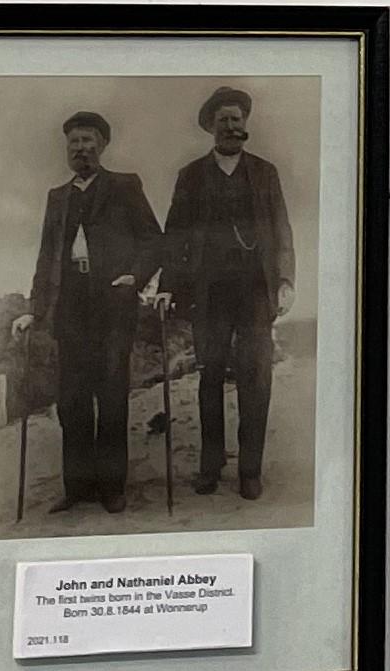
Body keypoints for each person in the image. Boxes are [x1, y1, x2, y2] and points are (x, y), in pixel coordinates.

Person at [13, 111, 161, 514]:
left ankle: (113, 487)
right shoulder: (57, 197)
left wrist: (135, 275)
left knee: (111, 395)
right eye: (75, 143)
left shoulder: (125, 186)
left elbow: (153, 239)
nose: (82, 150)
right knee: (72, 400)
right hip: (70, 308)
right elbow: (46, 260)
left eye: (89, 142)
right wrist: (33, 310)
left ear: (102, 147)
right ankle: (78, 487)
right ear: (67, 149)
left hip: (113, 306)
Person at [156, 87, 295, 501]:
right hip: (208, 291)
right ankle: (210, 464)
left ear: (245, 124)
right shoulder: (191, 176)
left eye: (237, 119)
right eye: (223, 121)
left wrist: (285, 280)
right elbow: (174, 236)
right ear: (210, 127)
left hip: (255, 289)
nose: (232, 127)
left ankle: (250, 470)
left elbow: (282, 229)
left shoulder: (266, 173)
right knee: (210, 377)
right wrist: (167, 286)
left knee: (257, 378)